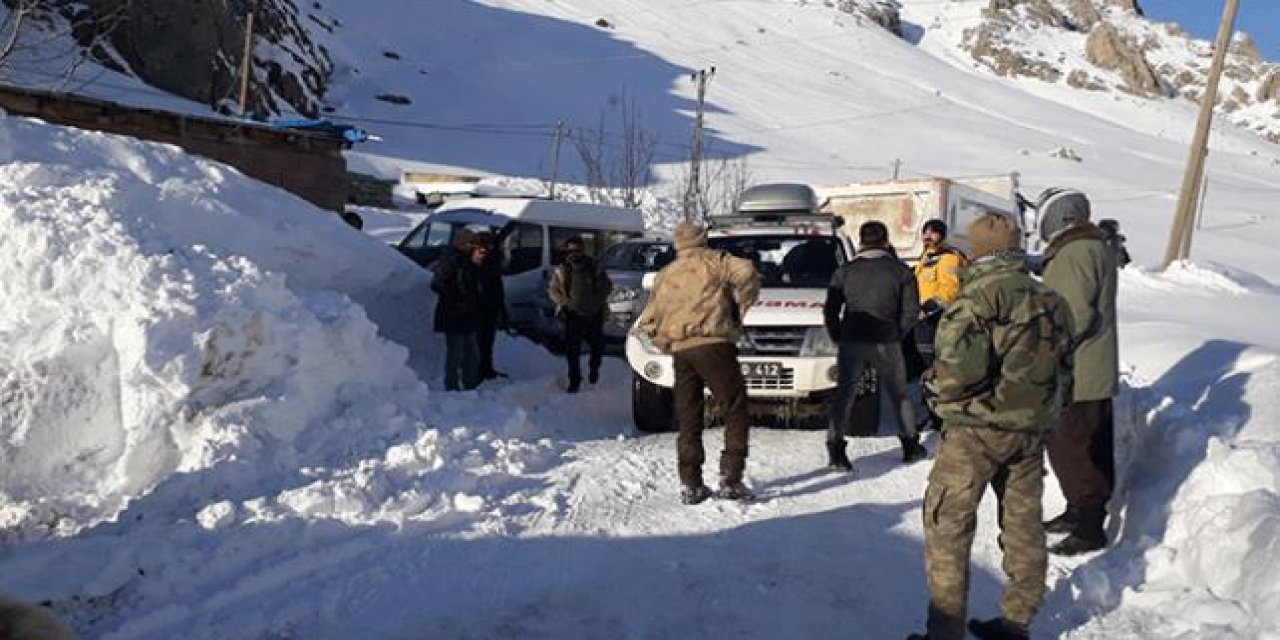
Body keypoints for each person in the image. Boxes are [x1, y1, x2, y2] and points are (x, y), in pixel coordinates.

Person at [908, 212, 1075, 640]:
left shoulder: (977, 299)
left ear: (978, 250)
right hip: (1029, 430)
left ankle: (945, 631)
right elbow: (1066, 371)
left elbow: (958, 371)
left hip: (975, 430)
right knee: (1022, 524)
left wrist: (935, 388)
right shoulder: (1052, 301)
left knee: (948, 523)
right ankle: (1017, 621)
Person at [634, 222, 761, 504]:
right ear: (703, 240)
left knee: (689, 416)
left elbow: (649, 320)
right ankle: (731, 478)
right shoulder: (716, 261)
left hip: (681, 351)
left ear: (677, 244)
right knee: (735, 408)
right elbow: (748, 272)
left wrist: (665, 343)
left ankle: (691, 483)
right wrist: (740, 309)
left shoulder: (665, 275)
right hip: (714, 346)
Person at [1036, 189, 1120, 556]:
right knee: (1088, 443)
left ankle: (1088, 527)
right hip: (1092, 367)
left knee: (1072, 446)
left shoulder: (1074, 252)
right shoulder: (1092, 246)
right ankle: (1078, 512)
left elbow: (1072, 315)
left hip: (1077, 371)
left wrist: (1046, 349)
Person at [824, 220, 924, 470]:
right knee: (899, 395)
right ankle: (910, 445)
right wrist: (897, 332)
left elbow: (831, 310)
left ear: (861, 240)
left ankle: (836, 450)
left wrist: (838, 335)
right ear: (886, 240)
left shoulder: (844, 271)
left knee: (844, 394)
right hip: (887, 339)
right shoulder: (901, 271)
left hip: (852, 338)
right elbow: (912, 311)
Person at [912, 219, 969, 431]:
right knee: (926, 369)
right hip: (923, 321)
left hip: (939, 320)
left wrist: (928, 308)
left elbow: (950, 289)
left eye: (934, 233)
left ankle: (942, 415)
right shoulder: (926, 257)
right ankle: (932, 413)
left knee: (938, 369)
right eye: (925, 232)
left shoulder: (949, 259)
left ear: (942, 236)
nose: (928, 236)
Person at [548, 236, 613, 394]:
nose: (574, 253)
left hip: (593, 314)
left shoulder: (594, 266)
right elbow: (553, 290)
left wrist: (597, 301)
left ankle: (594, 370)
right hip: (573, 315)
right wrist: (564, 303)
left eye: (577, 250)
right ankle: (574, 380)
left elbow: (607, 286)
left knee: (596, 347)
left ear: (583, 250)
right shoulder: (562, 269)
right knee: (572, 351)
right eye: (570, 250)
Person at [431, 230, 487, 391]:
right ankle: (452, 386)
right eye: (470, 243)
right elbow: (437, 284)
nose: (473, 246)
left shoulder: (469, 261)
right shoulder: (450, 260)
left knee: (472, 354)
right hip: (453, 314)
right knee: (455, 353)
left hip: (468, 315)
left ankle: (470, 384)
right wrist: (456, 298)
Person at [472, 231, 508, 380]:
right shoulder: (475, 262)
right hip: (478, 307)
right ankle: (477, 370)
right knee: (479, 342)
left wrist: (502, 309)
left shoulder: (494, 261)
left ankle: (486, 369)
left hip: (491, 306)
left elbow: (497, 287)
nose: (486, 250)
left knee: (487, 341)